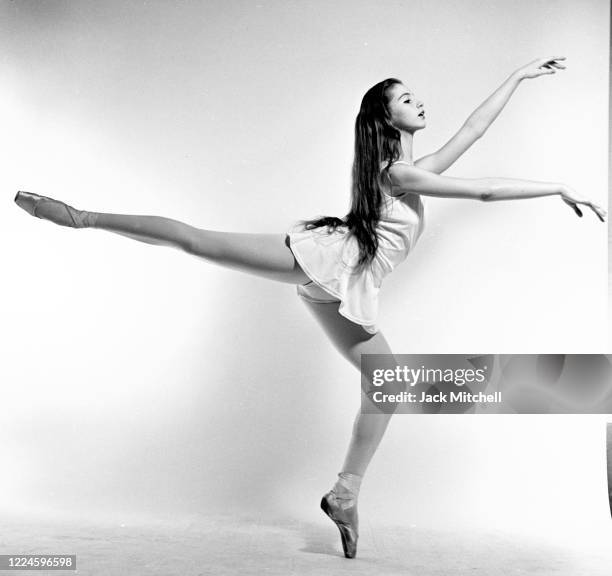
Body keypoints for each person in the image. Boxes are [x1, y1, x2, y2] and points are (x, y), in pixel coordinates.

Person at [14, 56, 606, 559]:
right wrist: (556, 186)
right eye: (406, 99)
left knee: (391, 387)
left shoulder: (412, 172)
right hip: (324, 261)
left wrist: (518, 76)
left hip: (341, 289)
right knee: (198, 240)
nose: (420, 103)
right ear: (385, 116)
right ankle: (81, 216)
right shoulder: (397, 172)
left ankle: (344, 493)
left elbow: (473, 132)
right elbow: (482, 189)